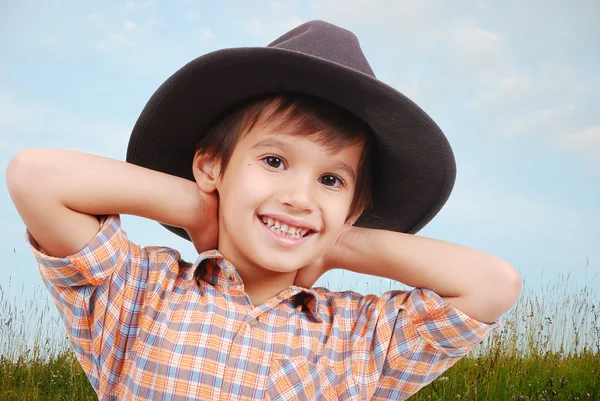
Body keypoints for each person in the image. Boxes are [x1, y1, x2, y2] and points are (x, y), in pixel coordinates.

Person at [6, 20, 521, 400]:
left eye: (330, 180)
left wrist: (338, 243)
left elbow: (492, 284)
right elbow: (36, 176)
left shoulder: (357, 338)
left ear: (353, 208)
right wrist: (198, 207)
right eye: (274, 161)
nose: (301, 196)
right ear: (211, 167)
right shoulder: (137, 290)